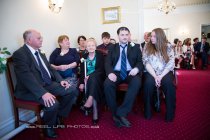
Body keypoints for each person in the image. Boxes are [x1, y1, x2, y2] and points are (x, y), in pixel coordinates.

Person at [12, 29, 79, 138]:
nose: (41, 39)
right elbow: (26, 77)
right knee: (53, 103)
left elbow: (50, 68)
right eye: (38, 38)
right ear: (29, 40)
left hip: (47, 84)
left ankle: (57, 115)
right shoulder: (20, 54)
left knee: (72, 90)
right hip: (29, 90)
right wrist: (43, 93)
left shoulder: (39, 52)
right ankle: (49, 128)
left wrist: (60, 80)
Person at [104, 27, 143, 128]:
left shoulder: (136, 46)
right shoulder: (112, 47)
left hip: (131, 72)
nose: (125, 37)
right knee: (107, 84)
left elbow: (140, 62)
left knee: (137, 82)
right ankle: (115, 113)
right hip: (116, 73)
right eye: (122, 35)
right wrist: (110, 73)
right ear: (118, 36)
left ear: (129, 35)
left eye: (127, 34)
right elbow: (107, 62)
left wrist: (137, 69)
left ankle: (121, 112)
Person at [142, 28, 176, 122]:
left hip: (165, 71)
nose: (151, 38)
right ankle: (148, 112)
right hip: (151, 72)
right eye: (151, 36)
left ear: (160, 37)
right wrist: (155, 76)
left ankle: (170, 114)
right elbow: (146, 62)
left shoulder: (168, 46)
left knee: (169, 84)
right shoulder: (147, 46)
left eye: (154, 36)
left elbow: (171, 63)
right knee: (148, 84)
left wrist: (160, 76)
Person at [79, 38, 105, 125]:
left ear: (95, 46)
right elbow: (82, 71)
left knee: (93, 78)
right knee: (92, 82)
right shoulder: (84, 57)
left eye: (92, 45)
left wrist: (90, 76)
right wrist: (82, 83)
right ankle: (95, 112)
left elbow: (102, 69)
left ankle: (89, 100)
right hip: (87, 80)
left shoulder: (100, 55)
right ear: (86, 47)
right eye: (89, 45)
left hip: (99, 77)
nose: (91, 47)